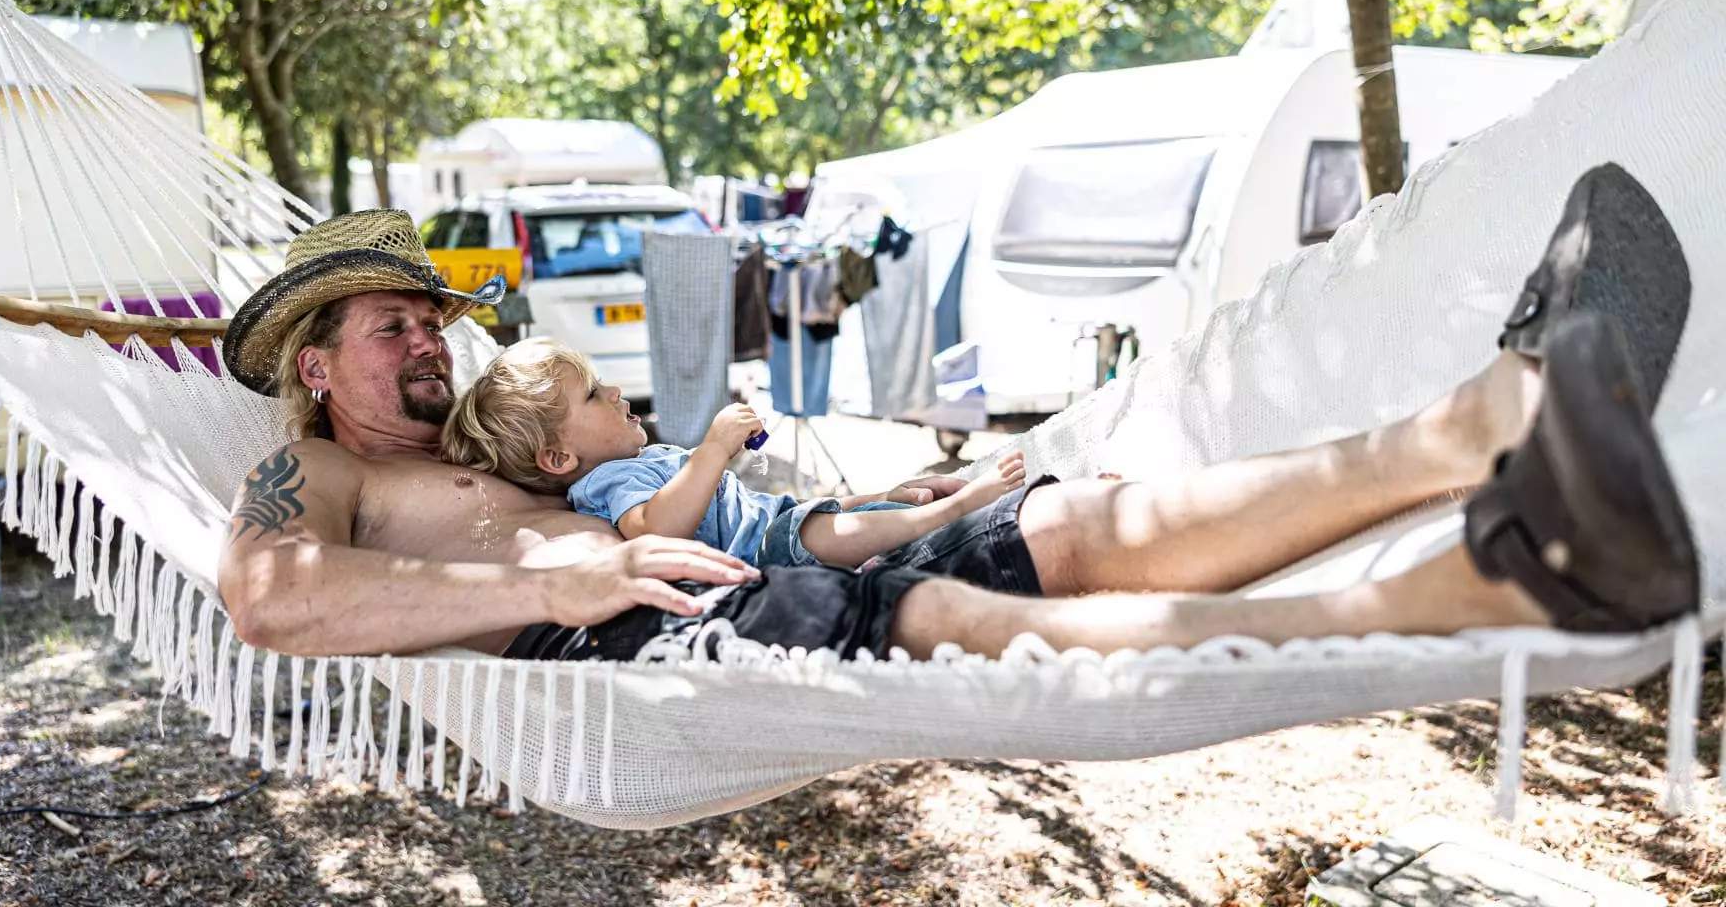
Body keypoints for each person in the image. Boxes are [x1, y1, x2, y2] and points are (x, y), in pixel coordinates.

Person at [215, 163, 1698, 666]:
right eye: (390, 325)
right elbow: (273, 604)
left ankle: (1475, 424)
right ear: (317, 364)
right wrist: (573, 571)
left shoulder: (483, 437)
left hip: (745, 571)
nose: (424, 342)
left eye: (429, 321)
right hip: (648, 634)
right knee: (965, 634)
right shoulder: (310, 475)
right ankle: (1478, 588)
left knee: (1082, 524)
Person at [436, 337, 1028, 570]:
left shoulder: (636, 462)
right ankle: (947, 513)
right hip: (765, 554)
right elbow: (652, 530)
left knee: (847, 513)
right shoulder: (604, 486)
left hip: (778, 522)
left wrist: (870, 497)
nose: (615, 392)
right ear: (560, 459)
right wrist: (713, 449)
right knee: (839, 534)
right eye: (593, 395)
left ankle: (903, 503)